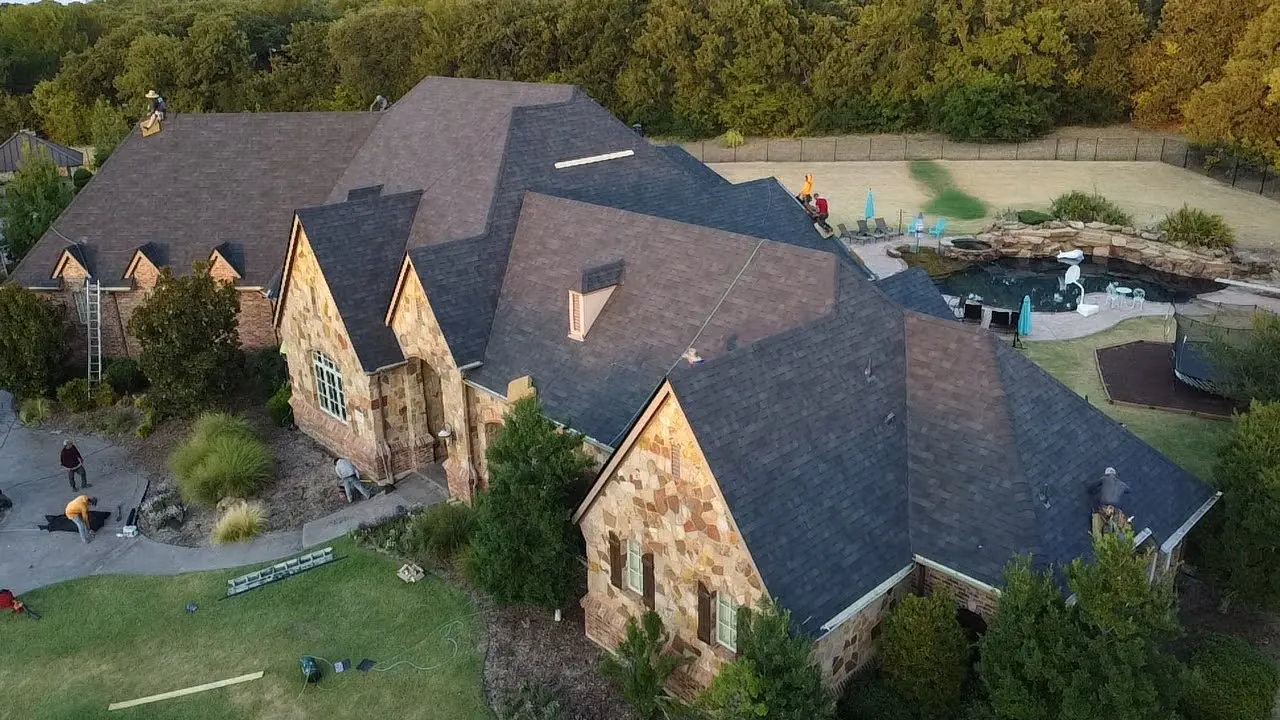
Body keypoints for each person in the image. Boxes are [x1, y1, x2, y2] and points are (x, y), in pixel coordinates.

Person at [1088, 467, 1132, 538]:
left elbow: (1091, 487)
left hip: (1104, 507)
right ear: (1114, 475)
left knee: (1100, 517)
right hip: (1116, 509)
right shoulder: (1122, 484)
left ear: (1106, 474)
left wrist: (1094, 490)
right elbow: (1129, 490)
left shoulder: (1104, 479)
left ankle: (1102, 534)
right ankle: (1117, 534)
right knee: (1117, 524)